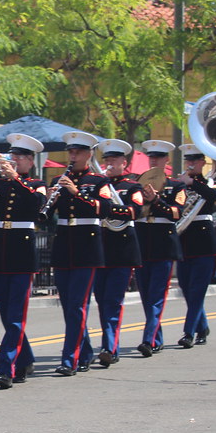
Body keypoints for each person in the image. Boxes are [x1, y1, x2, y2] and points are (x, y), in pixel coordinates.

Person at [47, 131, 113, 376]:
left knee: (77, 305)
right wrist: (47, 200)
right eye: (71, 152)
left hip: (87, 247)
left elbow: (105, 209)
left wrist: (77, 193)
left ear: (89, 154)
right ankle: (84, 352)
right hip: (64, 244)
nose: (73, 156)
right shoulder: (59, 179)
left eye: (78, 152)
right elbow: (45, 216)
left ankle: (70, 359)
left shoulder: (99, 181)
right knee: (68, 305)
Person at [0, 134, 46, 388]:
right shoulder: (0, 184)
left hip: (22, 250)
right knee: (6, 313)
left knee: (16, 315)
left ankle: (6, 368)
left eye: (20, 157)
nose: (15, 160)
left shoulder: (36, 184)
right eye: (13, 156)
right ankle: (25, 358)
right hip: (0, 249)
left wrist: (16, 179)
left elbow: (37, 205)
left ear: (30, 161)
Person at [91, 139, 144, 367]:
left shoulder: (132, 187)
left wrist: (108, 207)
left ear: (124, 163)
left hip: (122, 250)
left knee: (113, 301)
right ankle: (108, 343)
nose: (110, 164)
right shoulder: (97, 185)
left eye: (114, 160)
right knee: (101, 300)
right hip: (99, 247)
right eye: (107, 160)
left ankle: (110, 347)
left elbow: (134, 211)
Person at [135, 140, 185, 357]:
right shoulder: (138, 183)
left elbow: (176, 213)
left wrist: (156, 200)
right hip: (142, 241)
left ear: (167, 160)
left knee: (156, 295)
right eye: (151, 157)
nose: (154, 160)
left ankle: (148, 339)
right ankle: (157, 338)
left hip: (163, 244)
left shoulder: (176, 186)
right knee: (146, 295)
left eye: (158, 157)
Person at [175, 144, 216, 348]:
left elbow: (214, 197)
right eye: (188, 160)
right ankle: (202, 326)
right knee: (186, 287)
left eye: (194, 160)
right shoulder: (180, 185)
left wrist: (192, 182)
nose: (190, 163)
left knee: (197, 290)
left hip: (204, 244)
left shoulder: (210, 183)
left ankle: (189, 333)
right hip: (184, 242)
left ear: (202, 163)